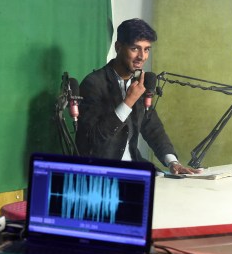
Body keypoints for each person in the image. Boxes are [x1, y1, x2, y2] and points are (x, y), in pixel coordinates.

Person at [76, 18, 198, 175]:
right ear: (118, 47)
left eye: (147, 49)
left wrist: (172, 162)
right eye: (135, 49)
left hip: (135, 165)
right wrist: (128, 102)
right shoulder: (93, 84)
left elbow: (153, 128)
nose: (142, 56)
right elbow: (92, 140)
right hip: (104, 171)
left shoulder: (140, 83)